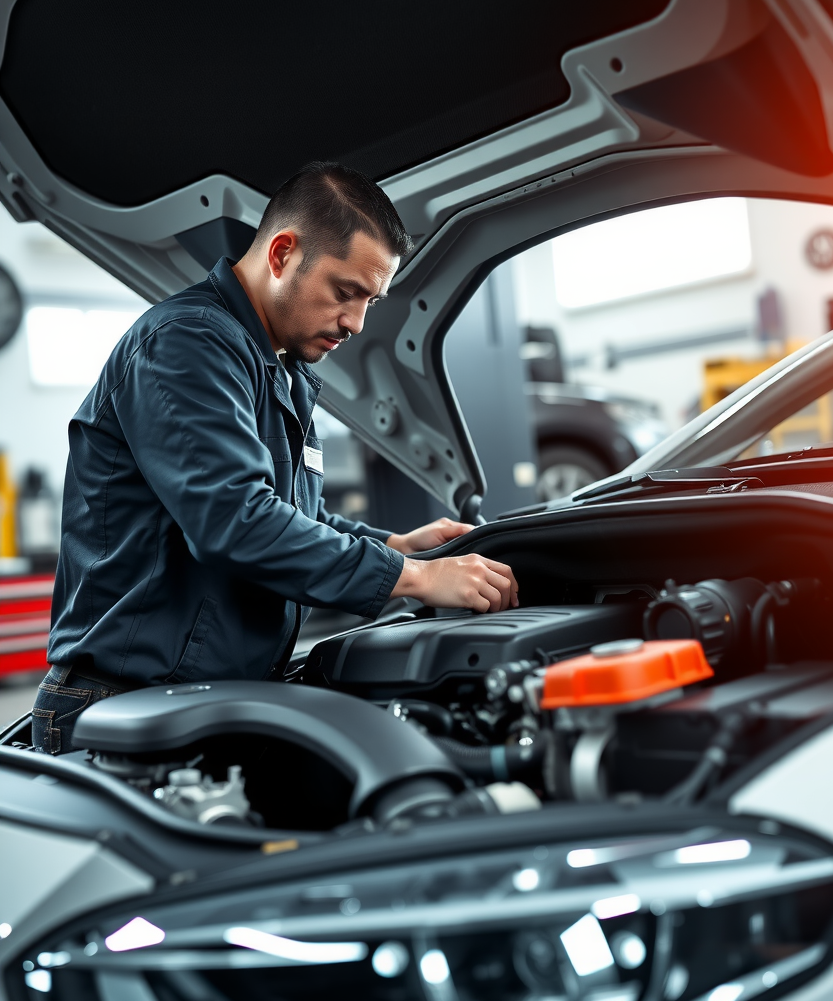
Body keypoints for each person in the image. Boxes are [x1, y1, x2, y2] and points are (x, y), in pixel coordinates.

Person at [32, 162, 518, 754]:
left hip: (200, 699)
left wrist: (396, 545)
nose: (356, 323)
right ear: (283, 253)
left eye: (371, 300)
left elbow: (289, 515)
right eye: (346, 292)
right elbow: (236, 521)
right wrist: (413, 577)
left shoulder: (275, 369)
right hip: (121, 708)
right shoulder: (185, 344)